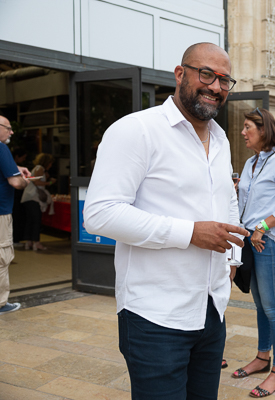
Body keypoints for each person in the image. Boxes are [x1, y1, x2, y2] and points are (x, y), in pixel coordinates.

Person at [83, 43, 250, 400]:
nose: (216, 86)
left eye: (224, 80)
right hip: (154, 317)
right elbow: (100, 213)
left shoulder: (220, 138)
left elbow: (228, 199)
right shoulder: (137, 130)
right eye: (206, 74)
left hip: (212, 309)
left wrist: (233, 258)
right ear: (180, 74)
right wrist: (189, 233)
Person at [232, 107, 275, 398]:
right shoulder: (251, 162)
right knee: (261, 306)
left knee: (274, 308)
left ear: (264, 130)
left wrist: (261, 226)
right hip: (251, 240)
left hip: (268, 241)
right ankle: (263, 358)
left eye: (248, 127)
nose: (243, 132)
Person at [0, 115, 29, 315]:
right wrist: (26, 180)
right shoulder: (1, 148)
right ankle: (1, 303)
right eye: (8, 128)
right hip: (1, 212)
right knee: (2, 257)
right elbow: (16, 182)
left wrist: (15, 168)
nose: (11, 132)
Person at [20, 153, 55, 251]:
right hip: (34, 198)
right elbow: (37, 182)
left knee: (30, 220)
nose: (51, 165)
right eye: (50, 163)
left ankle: (29, 242)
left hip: (28, 197)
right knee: (36, 220)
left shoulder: (36, 168)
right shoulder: (40, 168)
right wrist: (50, 182)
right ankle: (37, 242)